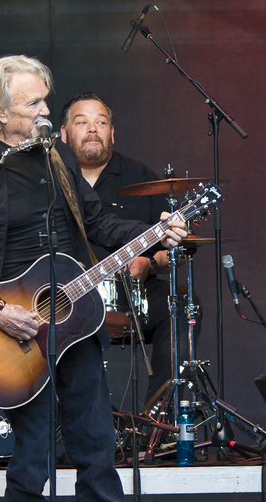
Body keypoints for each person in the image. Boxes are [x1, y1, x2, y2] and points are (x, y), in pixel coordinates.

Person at [0, 55, 188, 502]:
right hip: (18, 333)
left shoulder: (56, 157)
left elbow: (100, 224)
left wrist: (156, 230)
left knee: (97, 446)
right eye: (34, 105)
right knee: (33, 457)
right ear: (0, 112)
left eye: (46, 101)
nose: (46, 112)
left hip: (76, 320)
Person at [59, 91, 201, 405]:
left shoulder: (142, 179)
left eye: (101, 122)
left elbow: (173, 249)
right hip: (63, 297)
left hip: (131, 295)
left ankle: (159, 421)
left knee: (183, 305)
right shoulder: (49, 181)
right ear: (64, 134)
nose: (92, 128)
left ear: (112, 132)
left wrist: (149, 265)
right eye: (82, 122)